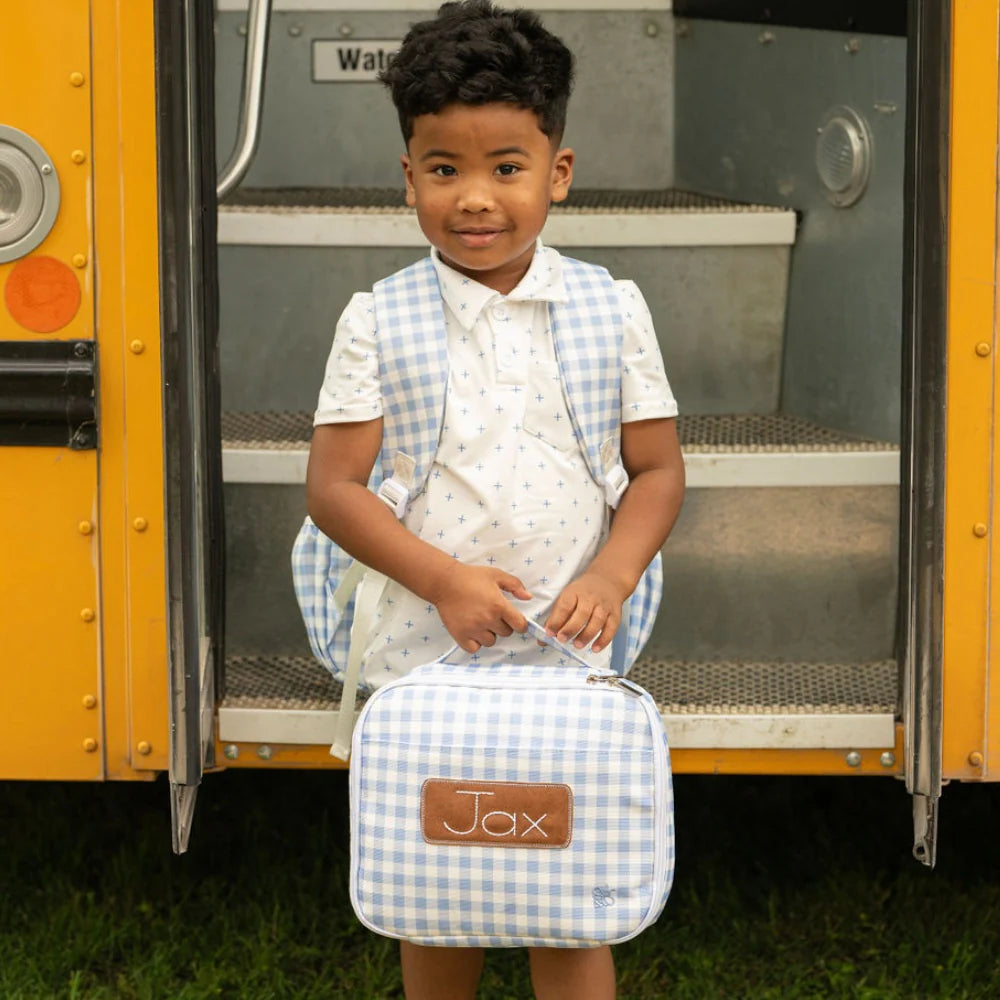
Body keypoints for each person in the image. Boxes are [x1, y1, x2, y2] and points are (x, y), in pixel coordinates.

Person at [305, 3, 685, 997]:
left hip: (566, 647)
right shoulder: (377, 319)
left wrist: (611, 570)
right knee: (441, 879)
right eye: (444, 170)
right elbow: (334, 489)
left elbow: (656, 470)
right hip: (427, 650)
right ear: (409, 176)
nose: (475, 199)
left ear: (556, 171)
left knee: (564, 885)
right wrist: (443, 579)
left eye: (506, 167)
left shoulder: (610, 306)